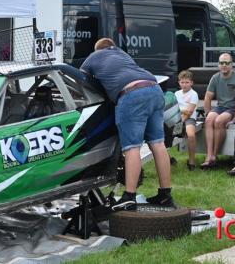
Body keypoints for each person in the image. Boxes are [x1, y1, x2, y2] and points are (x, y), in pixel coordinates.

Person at [81, 38, 175, 211]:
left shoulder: (94, 57)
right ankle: (165, 195)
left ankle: (129, 197)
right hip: (154, 89)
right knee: (158, 144)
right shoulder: (122, 54)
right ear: (112, 46)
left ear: (97, 50)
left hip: (132, 95)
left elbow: (81, 82)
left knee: (132, 148)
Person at [202, 53, 235, 169]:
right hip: (221, 107)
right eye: (222, 63)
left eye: (227, 63)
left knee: (218, 121)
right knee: (209, 120)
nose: (224, 65)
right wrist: (207, 112)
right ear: (218, 65)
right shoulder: (215, 78)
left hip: (234, 108)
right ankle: (209, 155)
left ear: (232, 65)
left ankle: (214, 156)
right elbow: (207, 97)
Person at [175, 70, 199, 171]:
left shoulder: (194, 94)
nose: (184, 85)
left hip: (189, 119)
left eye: (187, 82)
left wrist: (181, 118)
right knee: (163, 135)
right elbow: (174, 109)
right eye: (182, 82)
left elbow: (189, 112)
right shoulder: (176, 93)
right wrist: (182, 112)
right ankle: (168, 158)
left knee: (191, 135)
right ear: (179, 82)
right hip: (177, 118)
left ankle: (191, 161)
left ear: (191, 83)